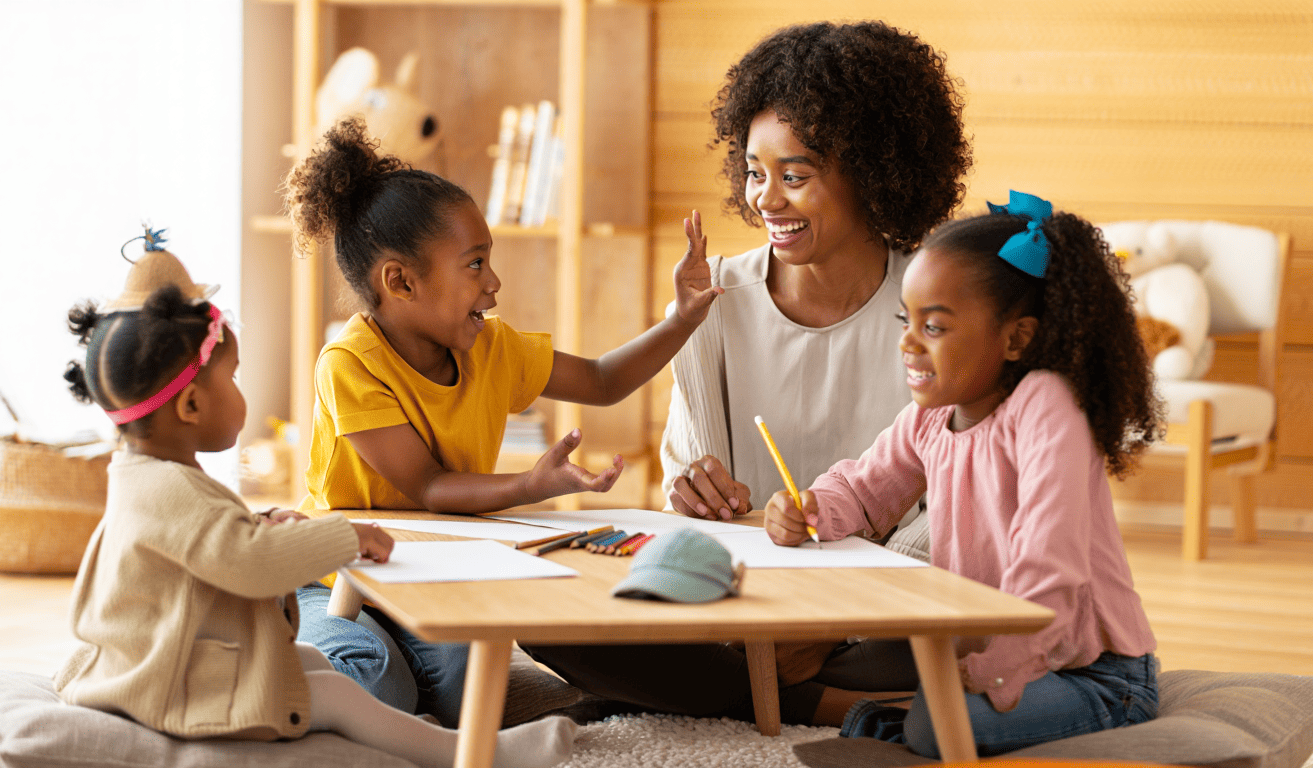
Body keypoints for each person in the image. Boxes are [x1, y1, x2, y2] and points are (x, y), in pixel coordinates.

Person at [526, 19, 973, 727]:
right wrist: (691, 489)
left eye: (794, 176)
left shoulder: (941, 308)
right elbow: (690, 477)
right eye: (756, 174)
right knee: (542, 613)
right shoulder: (717, 300)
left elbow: (953, 516)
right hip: (739, 604)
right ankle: (802, 701)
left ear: (872, 172)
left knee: (963, 615)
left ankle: (744, 695)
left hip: (882, 612)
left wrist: (832, 622)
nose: (766, 200)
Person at [54, 248, 576, 768]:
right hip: (170, 687)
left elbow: (202, 545)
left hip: (163, 665)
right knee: (338, 694)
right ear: (190, 406)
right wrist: (343, 536)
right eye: (232, 378)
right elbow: (251, 564)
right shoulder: (172, 489)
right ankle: (474, 755)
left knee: (309, 664)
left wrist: (260, 523)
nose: (241, 391)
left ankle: (406, 735)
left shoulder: (143, 476)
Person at [281, 115, 722, 726]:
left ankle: (403, 725)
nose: (493, 284)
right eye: (474, 264)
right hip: (335, 574)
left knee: (468, 679)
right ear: (401, 281)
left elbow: (601, 380)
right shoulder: (348, 364)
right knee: (375, 676)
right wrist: (529, 486)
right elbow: (429, 486)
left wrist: (682, 319)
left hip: (427, 570)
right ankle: (277, 664)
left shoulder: (491, 349)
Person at [765, 191, 1163, 757]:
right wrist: (810, 509)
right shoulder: (930, 419)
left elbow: (1049, 564)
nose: (907, 342)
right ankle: (899, 722)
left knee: (935, 724)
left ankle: (890, 725)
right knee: (933, 710)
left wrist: (992, 673)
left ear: (1016, 338)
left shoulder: (1047, 405)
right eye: (908, 320)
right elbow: (863, 487)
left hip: (1097, 676)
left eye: (935, 327)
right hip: (992, 660)